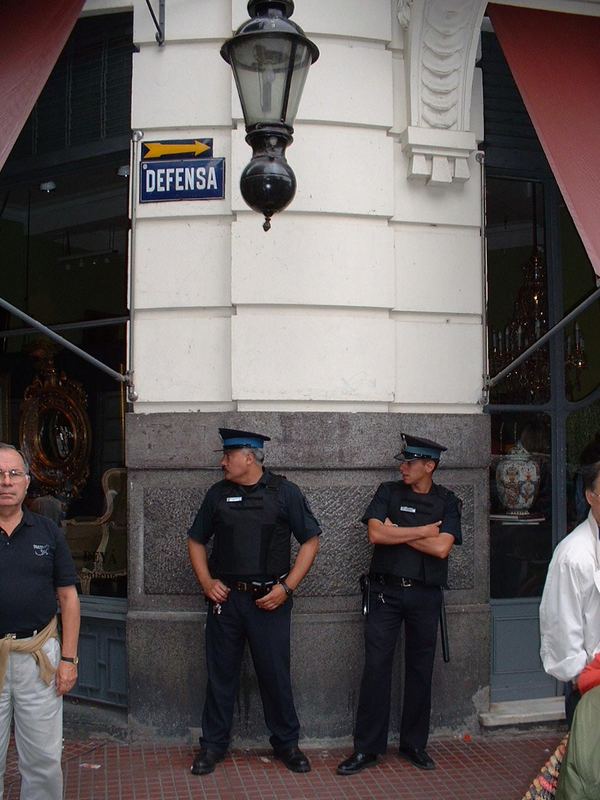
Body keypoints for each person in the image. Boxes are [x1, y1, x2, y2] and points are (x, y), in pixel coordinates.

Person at [187, 428, 321, 776]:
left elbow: (311, 541)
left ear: (249, 457)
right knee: (220, 675)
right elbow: (196, 540)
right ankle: (213, 745)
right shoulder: (217, 495)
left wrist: (288, 587)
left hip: (269, 600)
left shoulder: (284, 493)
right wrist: (206, 581)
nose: (222, 462)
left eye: (227, 456)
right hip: (227, 600)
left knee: (275, 674)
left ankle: (286, 743)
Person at [337, 433, 462, 776]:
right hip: (384, 593)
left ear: (429, 466)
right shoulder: (387, 492)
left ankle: (414, 744)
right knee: (376, 669)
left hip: (425, 595)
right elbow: (376, 535)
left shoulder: (448, 501)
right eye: (403, 462)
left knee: (421, 671)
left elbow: (442, 550)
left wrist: (400, 531)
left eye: (410, 462)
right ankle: (366, 749)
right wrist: (424, 531)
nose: (402, 467)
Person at [0, 443, 80, 800]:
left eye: (14, 473)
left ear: (27, 482)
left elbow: (68, 598)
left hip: (40, 659)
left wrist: (69, 659)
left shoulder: (47, 532)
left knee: (44, 759)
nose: (6, 481)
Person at [539, 435, 600, 727]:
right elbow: (560, 623)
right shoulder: (573, 555)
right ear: (590, 495)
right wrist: (580, 678)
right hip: (591, 684)